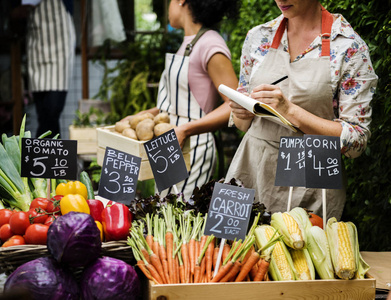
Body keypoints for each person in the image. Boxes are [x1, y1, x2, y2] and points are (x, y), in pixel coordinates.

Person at [225, 0, 377, 220]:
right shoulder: (258, 37)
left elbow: (357, 142)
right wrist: (242, 112)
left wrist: (290, 111)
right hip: (251, 170)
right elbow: (242, 125)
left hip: (309, 179)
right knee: (233, 253)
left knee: (300, 249)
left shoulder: (348, 46)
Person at [130, 0, 239, 198]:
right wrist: (140, 117)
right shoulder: (189, 42)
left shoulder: (210, 44)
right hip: (170, 146)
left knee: (182, 218)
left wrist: (185, 130)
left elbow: (235, 104)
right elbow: (175, 103)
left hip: (192, 148)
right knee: (164, 214)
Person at [25, 0, 76, 138]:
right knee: (43, 113)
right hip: (37, 44)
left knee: (53, 110)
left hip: (61, 44)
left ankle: (40, 153)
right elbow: (14, 12)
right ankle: (50, 156)